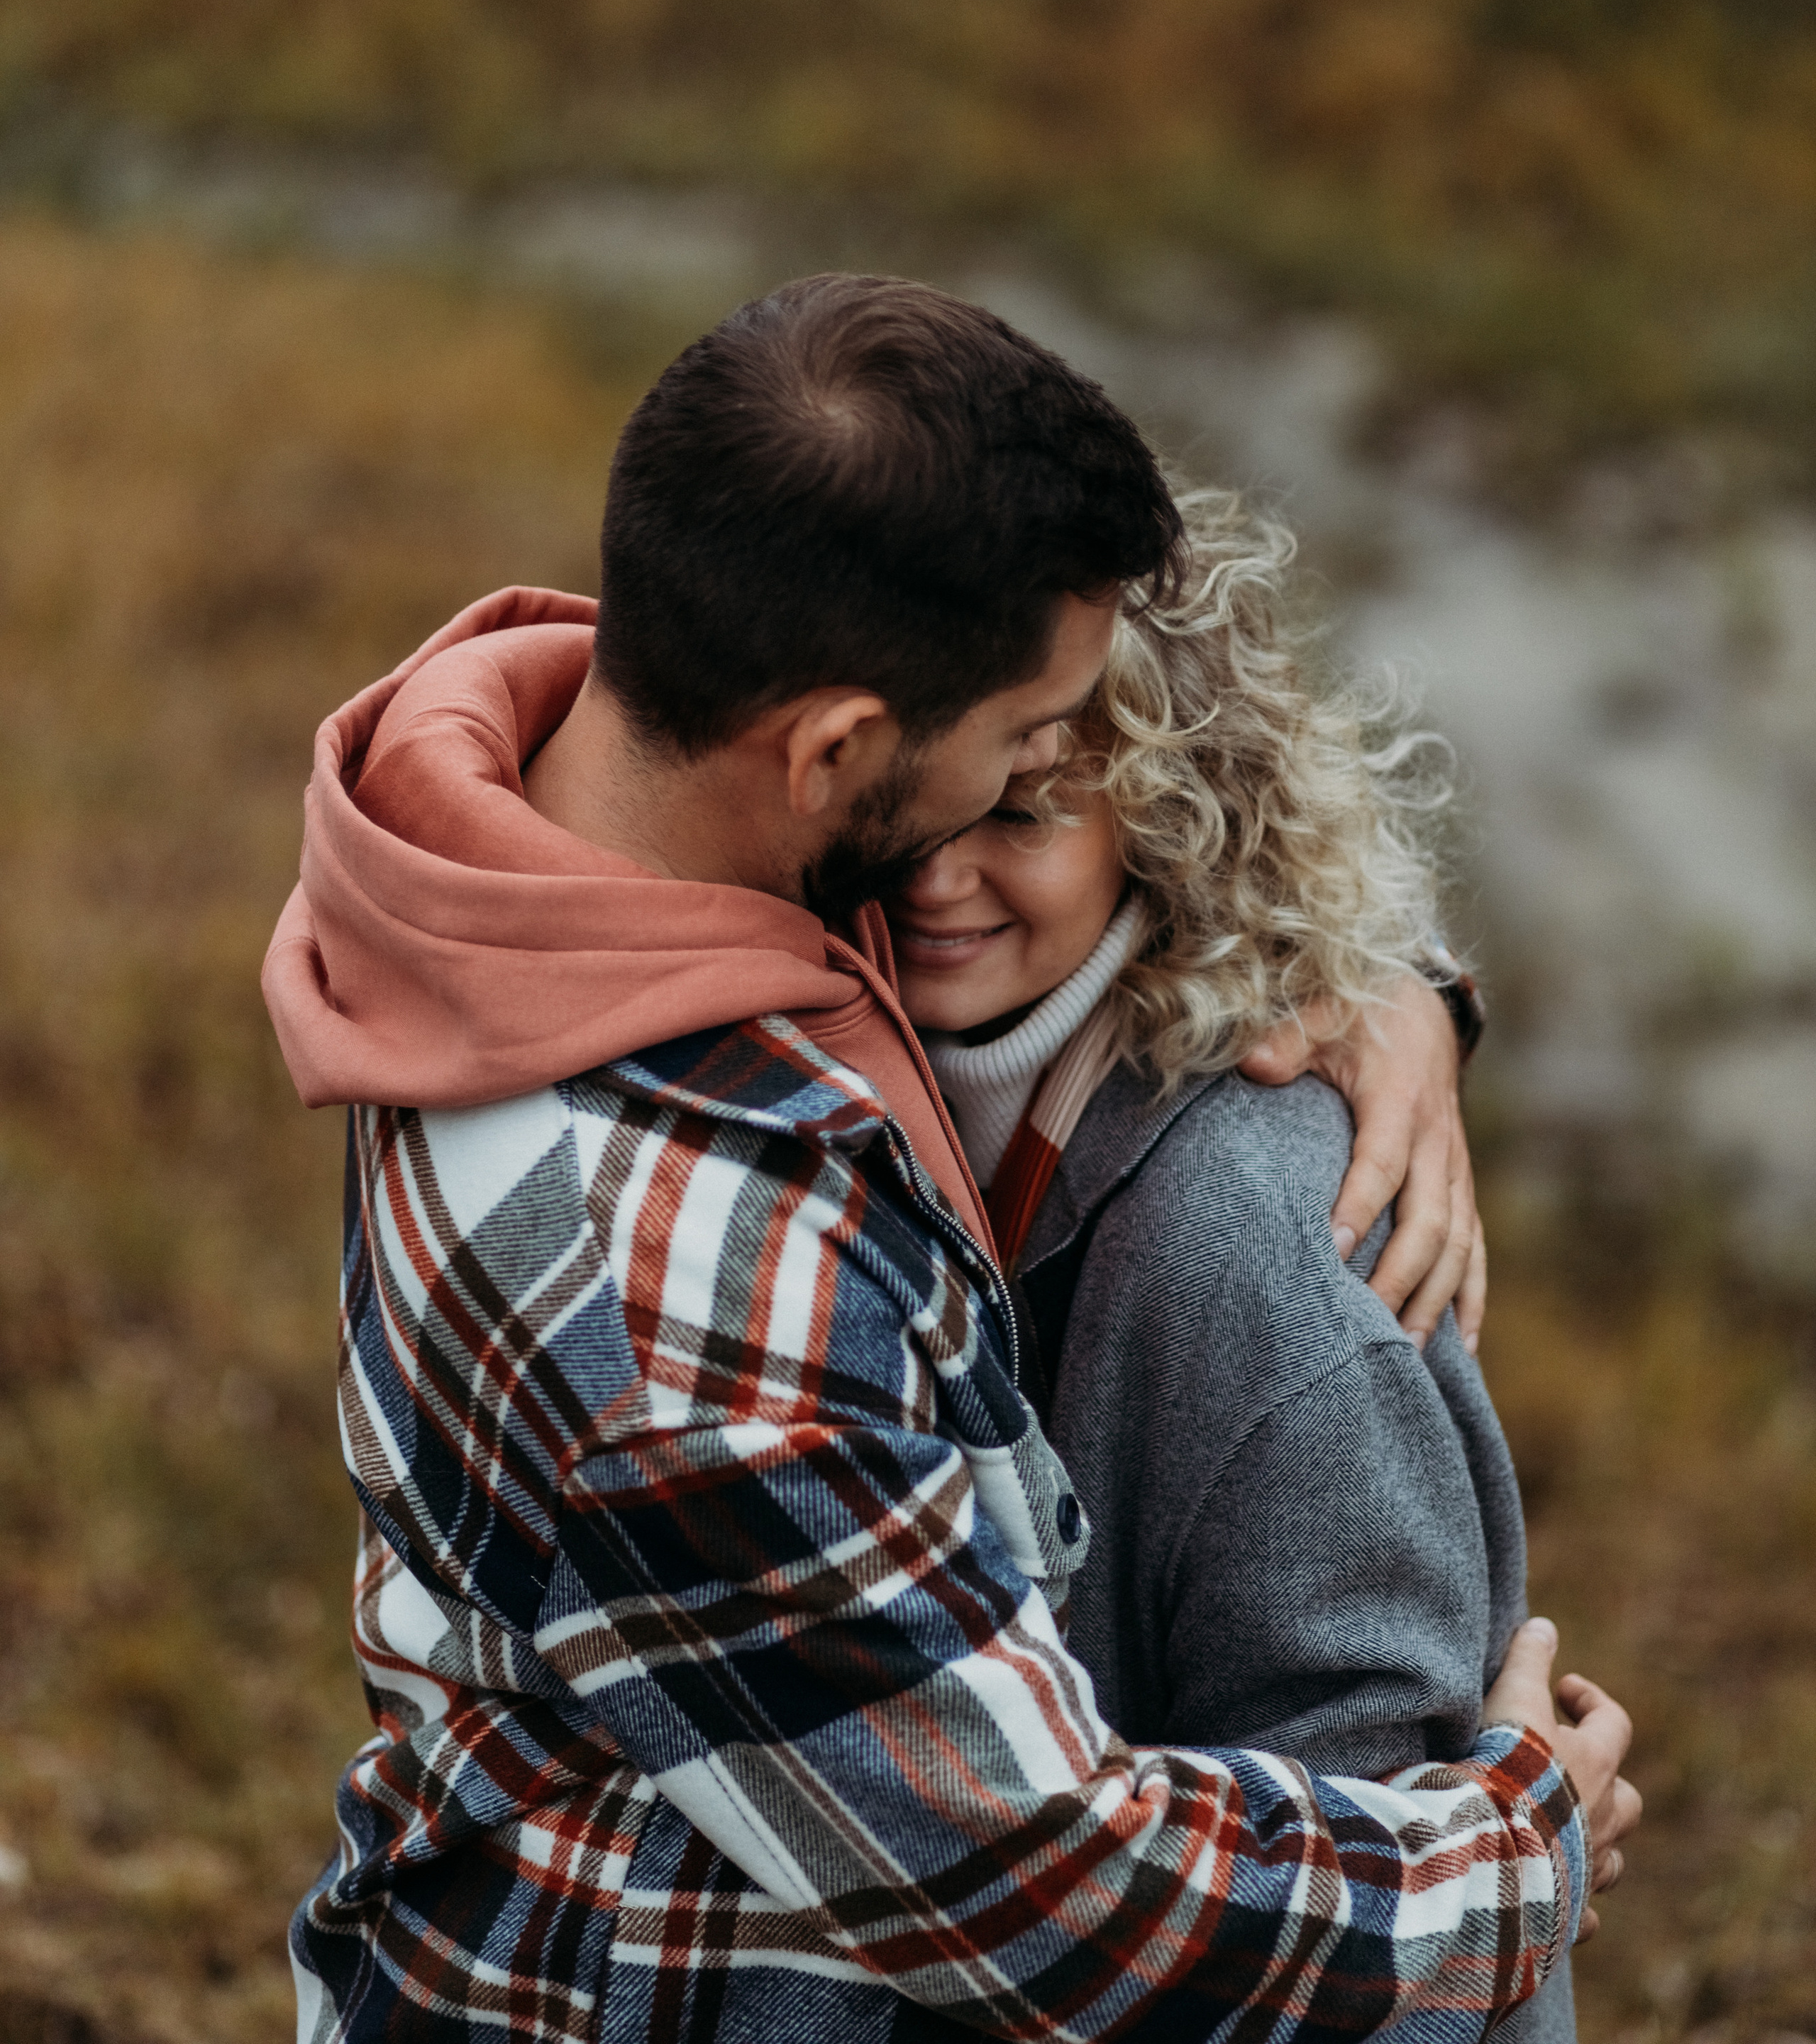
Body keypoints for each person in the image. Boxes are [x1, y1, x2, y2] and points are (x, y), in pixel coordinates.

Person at [262, 277, 1635, 2044]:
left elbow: (1123, 763)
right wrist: (1518, 1847)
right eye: (1014, 746)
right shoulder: (673, 1289)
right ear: (839, 752)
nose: (1030, 779)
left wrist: (1365, 973)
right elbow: (1040, 1894)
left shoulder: (531, 846)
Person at [887, 485, 1585, 2042]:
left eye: (1023, 811)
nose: (935, 876)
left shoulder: (1255, 1259)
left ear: (1172, 809)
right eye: (911, 797)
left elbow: (1395, 1915)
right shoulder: (867, 1055)